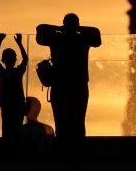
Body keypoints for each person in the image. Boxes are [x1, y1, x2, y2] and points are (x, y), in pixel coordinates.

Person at [36, 13, 101, 150]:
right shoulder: (82, 38)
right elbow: (96, 35)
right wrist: (75, 28)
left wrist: (62, 29)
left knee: (62, 120)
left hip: (62, 85)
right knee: (77, 120)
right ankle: (77, 149)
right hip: (77, 85)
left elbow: (40, 29)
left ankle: (63, 148)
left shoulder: (57, 38)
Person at [0, 33, 28, 146]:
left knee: (6, 127)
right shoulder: (18, 72)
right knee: (17, 128)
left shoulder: (2, 73)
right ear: (15, 59)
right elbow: (25, 59)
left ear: (3, 60)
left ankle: (7, 149)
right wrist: (20, 43)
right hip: (18, 103)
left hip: (6, 103)